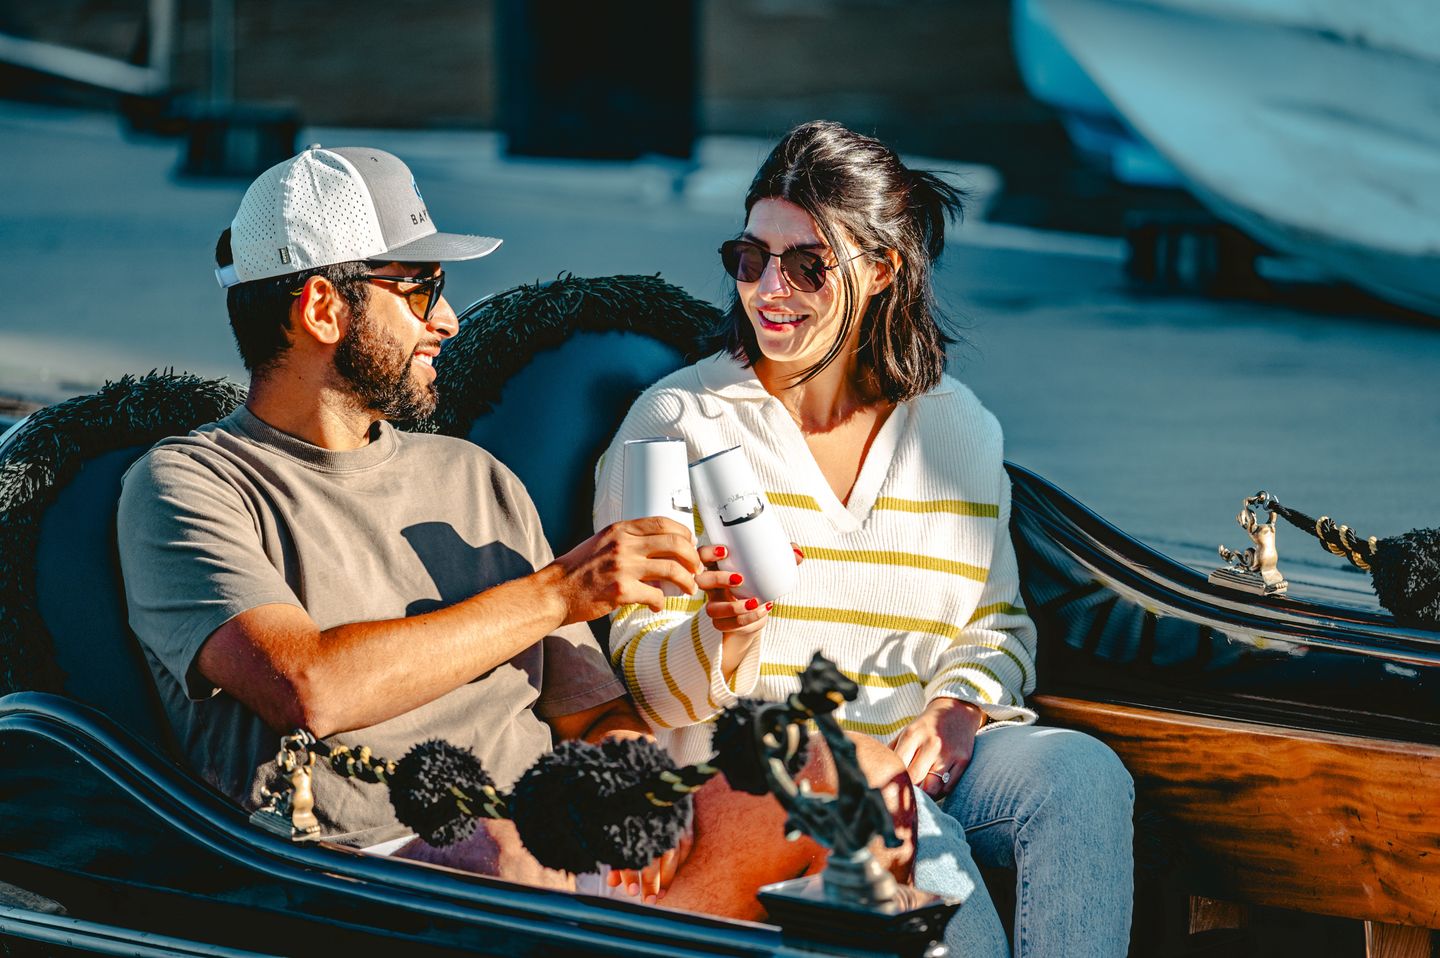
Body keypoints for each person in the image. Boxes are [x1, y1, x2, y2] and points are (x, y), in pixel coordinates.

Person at [115, 145, 912, 919]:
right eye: (420, 288)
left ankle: (664, 923)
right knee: (506, 856)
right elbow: (308, 688)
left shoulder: (473, 475)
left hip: (551, 835)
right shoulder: (190, 483)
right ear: (323, 309)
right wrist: (562, 590)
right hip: (368, 870)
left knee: (852, 774)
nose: (449, 320)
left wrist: (624, 776)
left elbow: (592, 719)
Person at [596, 121, 1135, 956]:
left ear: (880, 270)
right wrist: (721, 637)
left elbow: (997, 628)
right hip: (769, 778)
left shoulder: (957, 429)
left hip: (926, 757)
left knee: (1080, 774)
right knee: (917, 829)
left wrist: (960, 708)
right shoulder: (670, 426)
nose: (770, 288)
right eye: (750, 257)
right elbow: (644, 673)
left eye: (808, 264)